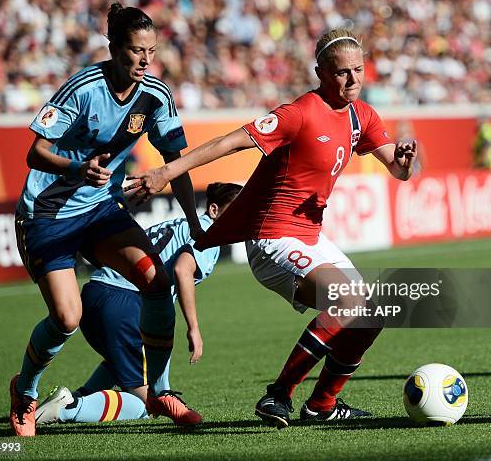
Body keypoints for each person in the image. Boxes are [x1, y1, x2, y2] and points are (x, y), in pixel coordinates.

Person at [125, 28, 418, 428]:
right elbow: (230, 142)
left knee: (373, 310)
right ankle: (278, 394)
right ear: (320, 72)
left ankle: (323, 406)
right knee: (348, 300)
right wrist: (167, 170)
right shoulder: (299, 112)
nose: (352, 80)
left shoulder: (361, 115)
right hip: (272, 237)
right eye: (341, 72)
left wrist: (403, 161)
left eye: (358, 70)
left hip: (311, 237)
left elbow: (400, 171)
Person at [10, 3, 202, 437]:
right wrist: (77, 169)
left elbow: (177, 162)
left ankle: (162, 390)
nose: (145, 60)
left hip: (99, 210)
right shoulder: (81, 88)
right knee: (66, 319)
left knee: (156, 280)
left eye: (150, 51)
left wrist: (194, 220)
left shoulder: (155, 96)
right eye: (135, 51)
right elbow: (33, 152)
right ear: (114, 49)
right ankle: (25, 392)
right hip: (48, 214)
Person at [33, 183, 242, 427]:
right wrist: (193, 327)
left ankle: (80, 396)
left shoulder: (179, 225)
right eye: (236, 211)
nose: (241, 218)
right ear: (214, 210)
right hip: (124, 303)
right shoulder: (206, 234)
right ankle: (68, 409)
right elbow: (182, 270)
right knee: (146, 404)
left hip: (95, 294)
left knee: (123, 361)